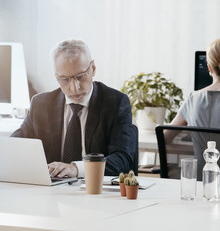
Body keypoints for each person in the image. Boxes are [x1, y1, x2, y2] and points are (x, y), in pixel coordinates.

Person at [11, 39, 136, 178]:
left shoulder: (115, 103)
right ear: (56, 76)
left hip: (96, 191)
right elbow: (14, 146)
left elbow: (123, 158)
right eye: (64, 79)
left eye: (80, 76)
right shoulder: (41, 104)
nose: (74, 87)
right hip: (51, 191)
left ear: (93, 68)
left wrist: (77, 169)